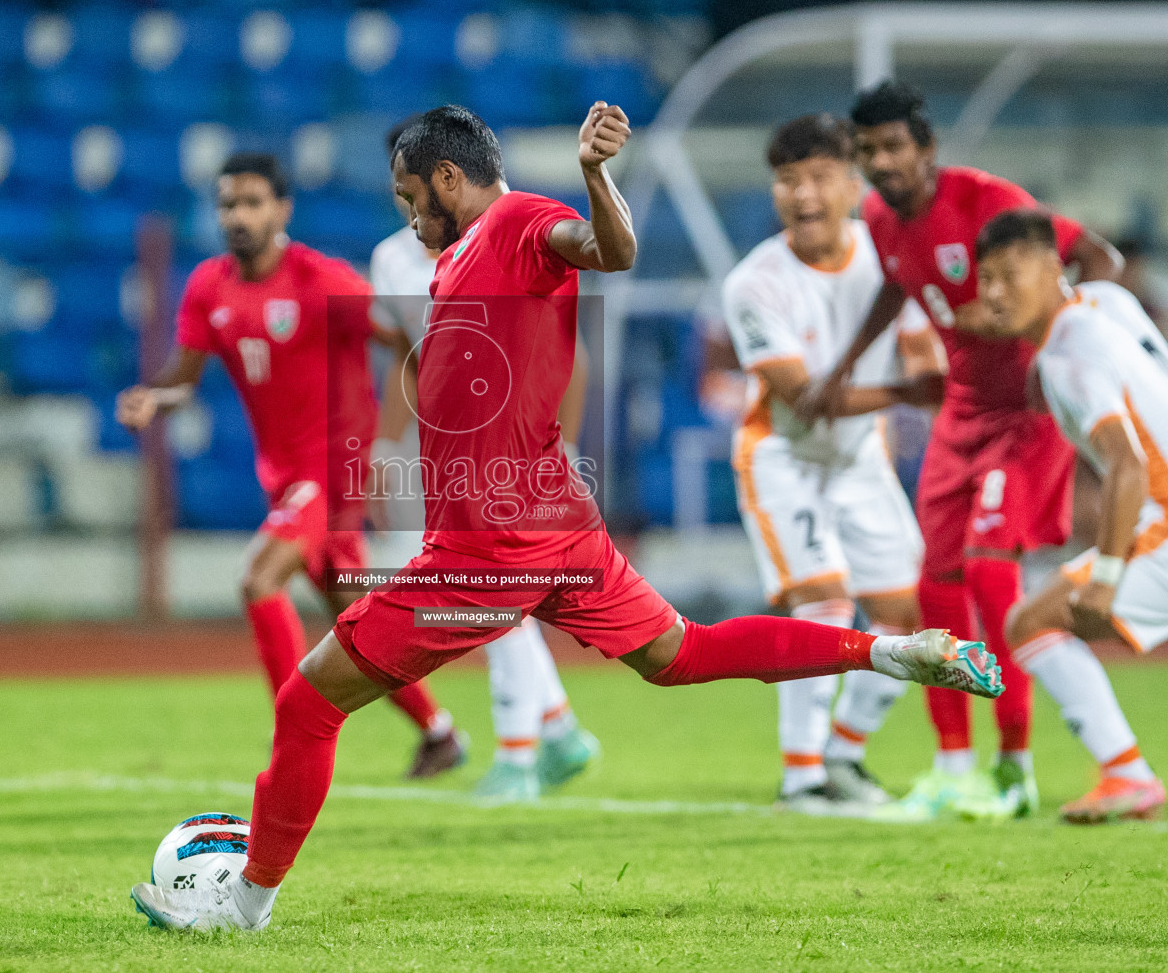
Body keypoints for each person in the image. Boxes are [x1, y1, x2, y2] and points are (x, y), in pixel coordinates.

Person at [128, 104, 1005, 933]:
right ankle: (890, 650)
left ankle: (243, 906)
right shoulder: (462, 253)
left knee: (310, 702)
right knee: (680, 654)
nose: (407, 217)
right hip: (556, 527)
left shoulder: (515, 225)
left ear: (444, 177)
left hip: (487, 549)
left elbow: (604, 249)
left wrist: (596, 175)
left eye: (409, 198)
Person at [798, 80, 1122, 821]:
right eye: (869, 151)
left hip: (1028, 418)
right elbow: (895, 284)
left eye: (894, 148)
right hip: (961, 413)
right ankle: (953, 767)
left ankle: (1014, 768)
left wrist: (1058, 345)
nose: (882, 163)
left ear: (928, 149)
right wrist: (847, 365)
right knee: (936, 585)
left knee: (989, 572)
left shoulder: (992, 203)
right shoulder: (879, 218)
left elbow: (1098, 258)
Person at [115, 152, 466, 780]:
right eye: (228, 205)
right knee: (353, 615)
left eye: (252, 203)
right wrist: (154, 398)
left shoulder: (320, 279)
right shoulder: (208, 287)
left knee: (258, 579)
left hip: (333, 470)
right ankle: (439, 733)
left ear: (282, 210)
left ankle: (293, 732)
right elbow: (185, 377)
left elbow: (406, 341)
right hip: (287, 476)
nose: (238, 216)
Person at [703, 113, 945, 814]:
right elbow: (803, 400)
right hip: (783, 456)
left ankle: (843, 753)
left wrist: (929, 368)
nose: (803, 195)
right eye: (787, 180)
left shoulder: (887, 256)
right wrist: (909, 390)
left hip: (861, 458)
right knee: (826, 605)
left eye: (818, 178)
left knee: (907, 613)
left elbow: (923, 341)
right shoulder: (755, 282)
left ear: (849, 184)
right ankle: (801, 777)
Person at [975, 208, 1168, 821]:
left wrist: (1107, 578)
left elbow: (1127, 465)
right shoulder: (1104, 301)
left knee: (1031, 623)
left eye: (1011, 275)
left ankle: (1126, 775)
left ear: (1050, 266)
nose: (995, 293)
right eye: (986, 279)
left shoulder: (1068, 357)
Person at [369, 121, 601, 803]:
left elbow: (569, 350)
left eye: (410, 183)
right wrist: (389, 446)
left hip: (517, 447)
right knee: (466, 600)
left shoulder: (505, 234)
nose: (404, 201)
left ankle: (522, 754)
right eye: (395, 189)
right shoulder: (391, 260)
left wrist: (567, 442)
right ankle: (556, 730)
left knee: (485, 595)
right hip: (444, 452)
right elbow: (410, 360)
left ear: (444, 175)